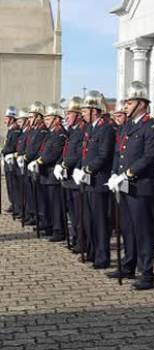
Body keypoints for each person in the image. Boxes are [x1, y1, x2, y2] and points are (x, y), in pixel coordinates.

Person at [107, 82, 154, 290]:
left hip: (140, 186)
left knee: (143, 231)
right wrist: (115, 173)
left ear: (141, 103)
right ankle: (129, 264)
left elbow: (149, 156)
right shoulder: (126, 126)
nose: (126, 105)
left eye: (129, 102)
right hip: (124, 185)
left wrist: (127, 174)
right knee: (128, 228)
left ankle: (147, 273)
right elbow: (118, 153)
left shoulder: (152, 126)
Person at [74, 91, 115, 269]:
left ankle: (102, 256)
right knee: (89, 220)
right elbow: (85, 153)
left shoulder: (106, 129)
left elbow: (103, 155)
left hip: (98, 181)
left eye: (85, 110)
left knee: (99, 221)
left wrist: (88, 169)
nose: (82, 113)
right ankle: (91, 251)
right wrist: (81, 170)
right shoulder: (90, 129)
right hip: (87, 181)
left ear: (95, 110)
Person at [34, 103, 68, 242]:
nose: (46, 122)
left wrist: (39, 161)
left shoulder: (60, 134)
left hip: (53, 174)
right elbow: (44, 150)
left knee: (56, 205)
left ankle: (59, 230)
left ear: (57, 119)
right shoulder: (51, 134)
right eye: (46, 119)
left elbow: (53, 154)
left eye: (49, 119)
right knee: (49, 203)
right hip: (46, 174)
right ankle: (52, 226)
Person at [60, 97, 86, 252]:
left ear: (77, 115)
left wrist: (66, 164)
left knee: (79, 213)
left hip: (76, 176)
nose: (66, 117)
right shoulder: (72, 131)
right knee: (72, 212)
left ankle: (82, 241)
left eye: (69, 114)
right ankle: (75, 237)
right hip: (68, 177)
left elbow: (78, 154)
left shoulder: (82, 131)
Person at [24, 103, 49, 233]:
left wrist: (26, 157)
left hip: (37, 165)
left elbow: (36, 148)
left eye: (32, 116)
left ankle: (43, 220)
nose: (29, 119)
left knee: (40, 196)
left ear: (39, 117)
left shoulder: (42, 130)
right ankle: (37, 217)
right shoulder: (34, 130)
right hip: (31, 165)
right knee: (33, 194)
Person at [3, 107, 22, 217]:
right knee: (10, 185)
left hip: (13, 162)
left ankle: (17, 206)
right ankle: (13, 204)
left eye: (6, 118)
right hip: (7, 162)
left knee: (15, 185)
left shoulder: (15, 131)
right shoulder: (10, 130)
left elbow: (12, 146)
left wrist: (4, 150)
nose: (5, 120)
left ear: (11, 118)